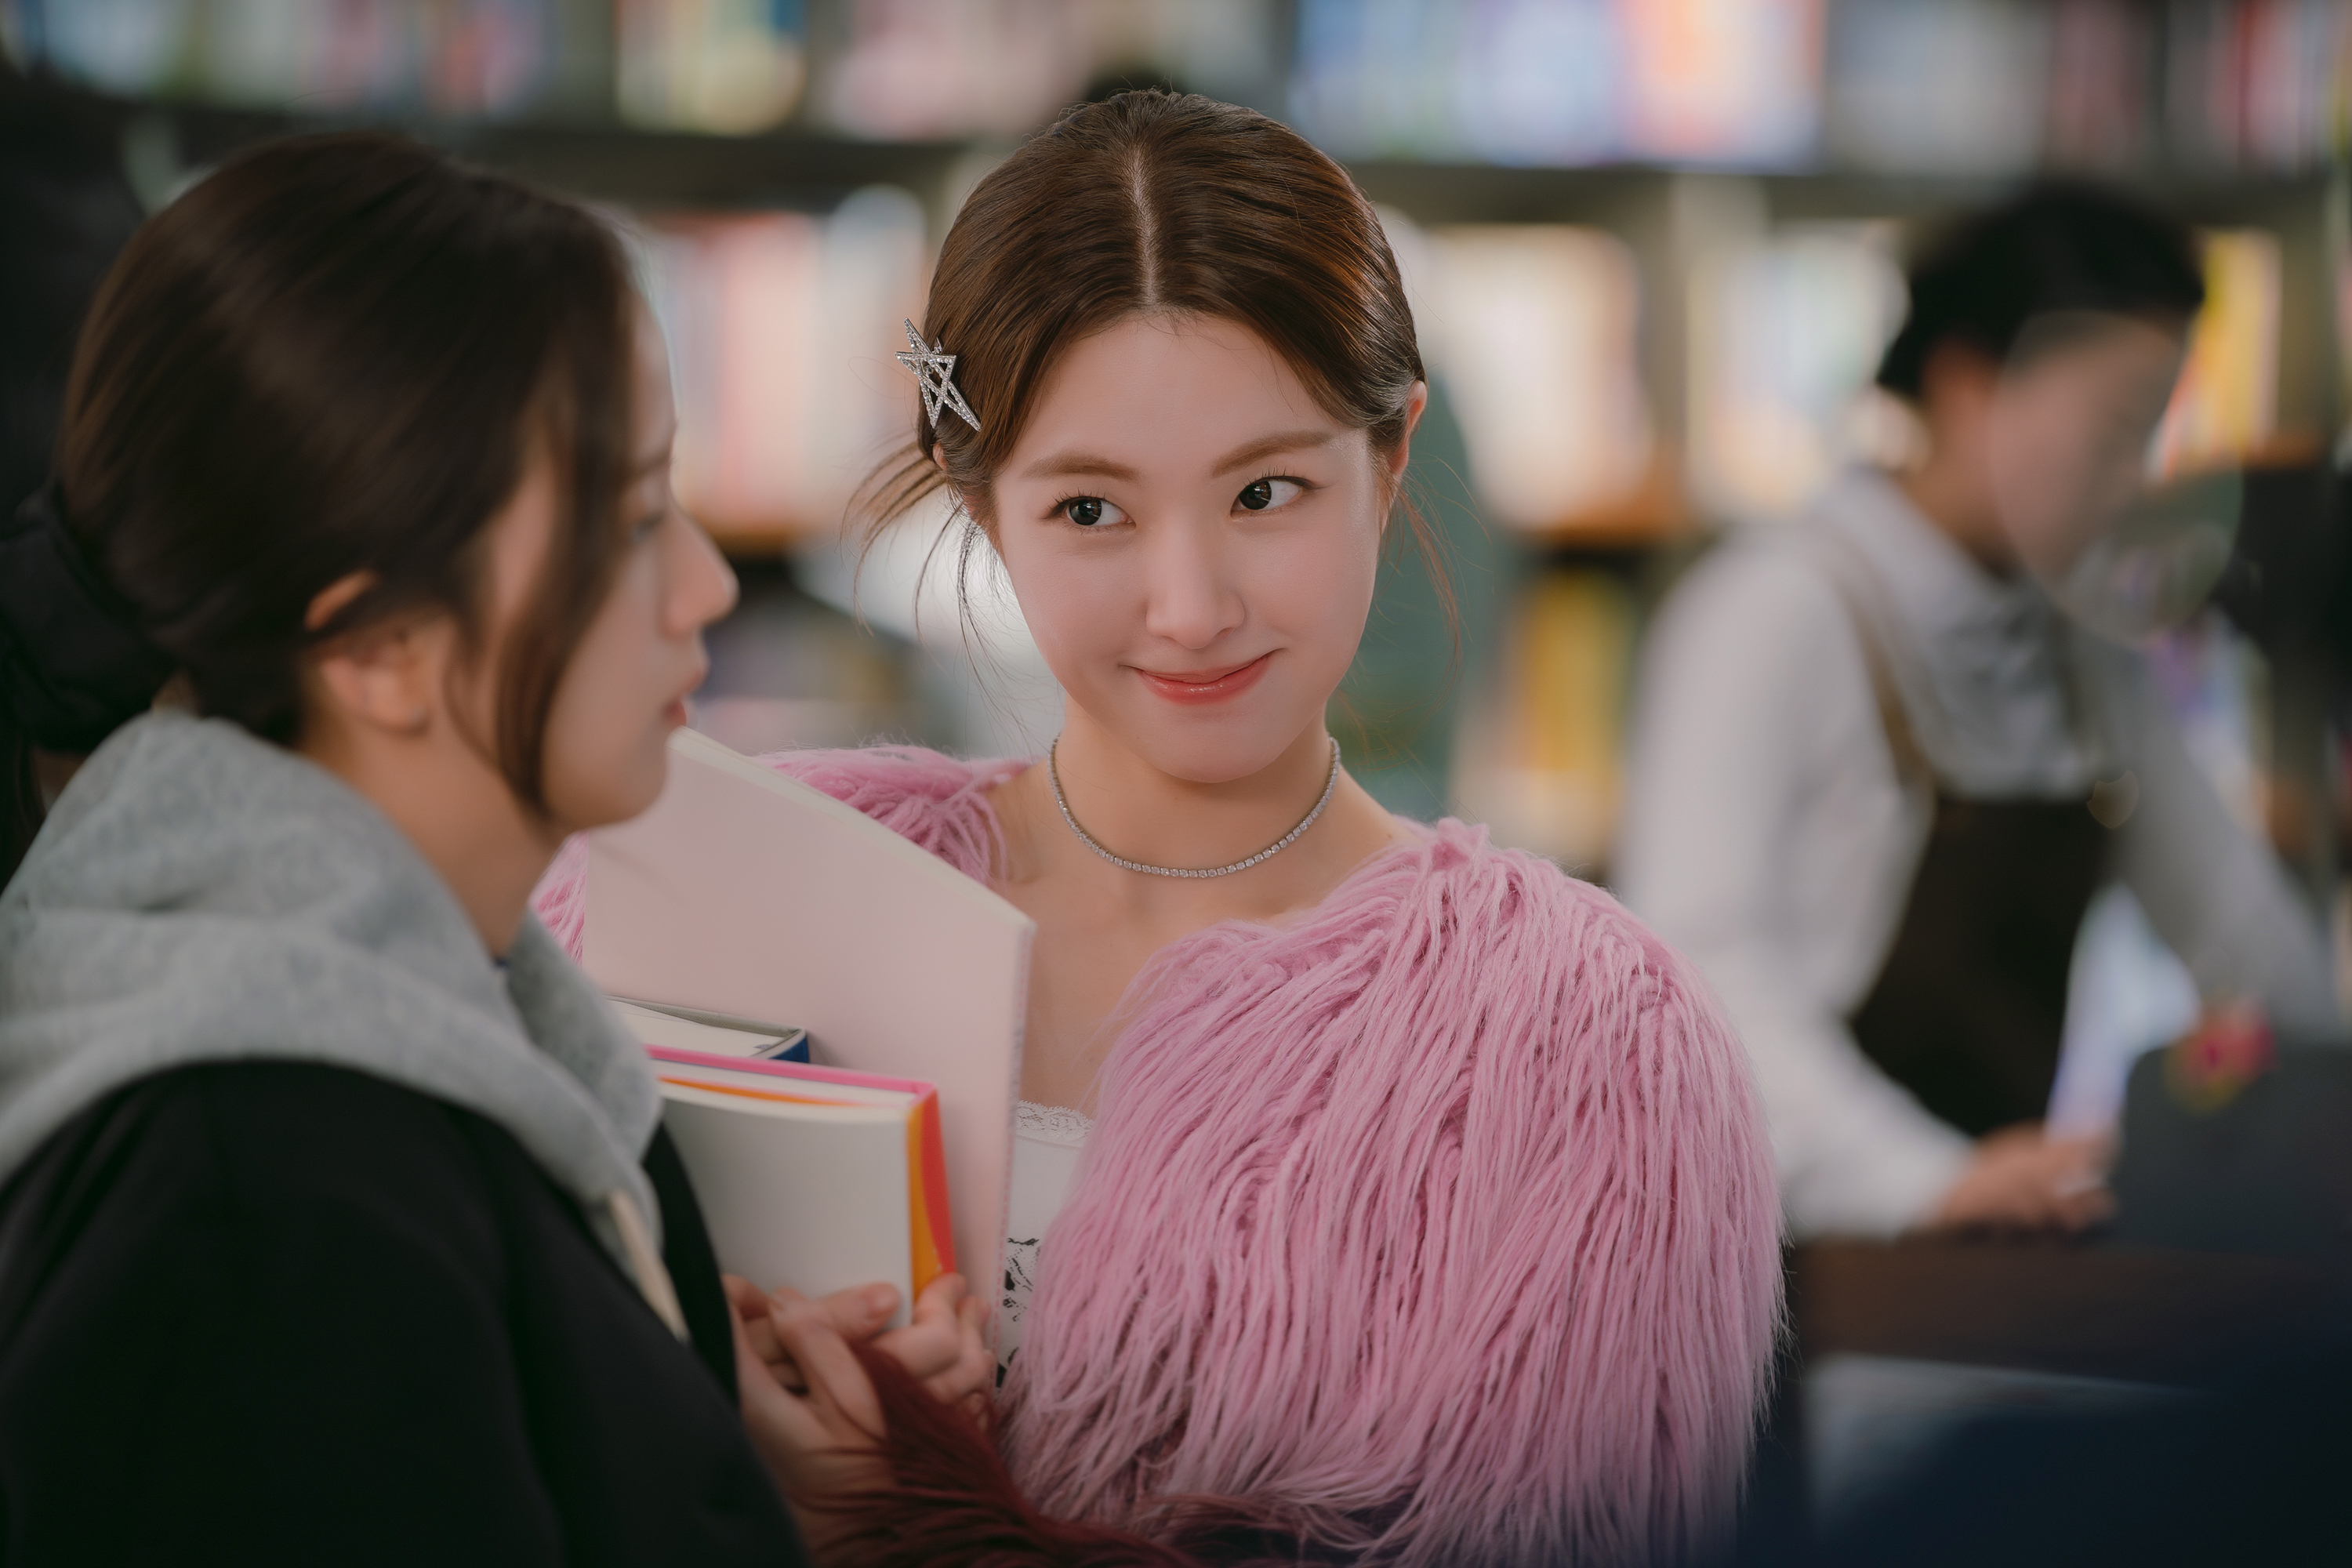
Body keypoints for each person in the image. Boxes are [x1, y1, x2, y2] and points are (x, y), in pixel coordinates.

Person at [543, 90, 1782, 1567]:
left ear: (1391, 464)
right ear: (982, 505)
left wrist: (904, 1516)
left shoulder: (1588, 1043)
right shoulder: (730, 887)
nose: (1191, 607)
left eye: (1266, 492)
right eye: (1090, 513)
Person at [0, 131, 1001, 1565]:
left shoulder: (422, 1014)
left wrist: (697, 1453)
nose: (707, 585)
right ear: (381, 646)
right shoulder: (260, 1219)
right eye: (632, 519)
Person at [1614, 183, 2340, 1241]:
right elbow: (1694, 982)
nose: (2132, 479)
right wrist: (1928, 1182)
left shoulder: (2088, 651)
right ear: (1964, 385)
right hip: (1774, 1262)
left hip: (1978, 1263)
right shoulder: (1770, 613)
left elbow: (2243, 934)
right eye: (2112, 432)